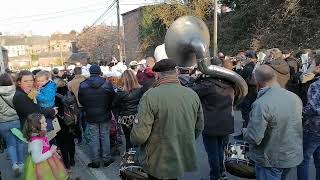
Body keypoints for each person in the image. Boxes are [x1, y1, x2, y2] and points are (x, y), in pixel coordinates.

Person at [131, 59, 204, 180]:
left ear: (157, 75)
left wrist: (133, 139)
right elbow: (199, 126)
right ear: (175, 73)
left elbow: (139, 136)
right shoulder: (192, 94)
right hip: (180, 153)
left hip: (159, 158)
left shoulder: (150, 95)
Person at [244, 65, 303, 180]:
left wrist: (245, 132)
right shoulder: (294, 97)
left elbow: (254, 138)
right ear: (275, 77)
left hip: (271, 159)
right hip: (291, 155)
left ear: (256, 81)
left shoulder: (262, 104)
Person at [191, 58, 235, 180]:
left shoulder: (207, 85)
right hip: (226, 122)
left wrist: (197, 78)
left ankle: (215, 176)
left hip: (210, 124)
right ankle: (221, 173)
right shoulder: (231, 83)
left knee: (213, 153)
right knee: (220, 150)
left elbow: (190, 92)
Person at [78, 64, 116, 168]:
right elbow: (113, 97)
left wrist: (88, 107)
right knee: (105, 136)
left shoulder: (83, 85)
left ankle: (95, 160)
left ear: (90, 72)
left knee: (94, 137)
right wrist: (108, 107)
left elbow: (81, 100)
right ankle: (106, 158)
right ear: (99, 72)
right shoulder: (107, 83)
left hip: (91, 114)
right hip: (104, 113)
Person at [22, 113, 68, 180]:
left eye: (45, 121)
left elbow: (44, 144)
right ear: (34, 127)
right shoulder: (36, 143)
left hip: (48, 159)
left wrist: (53, 152)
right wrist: (51, 152)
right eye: (43, 123)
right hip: (42, 165)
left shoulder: (40, 133)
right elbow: (36, 160)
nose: (46, 124)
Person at [297, 54, 320, 180]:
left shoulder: (316, 85)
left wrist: (300, 111)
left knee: (303, 159)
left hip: (314, 127)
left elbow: (313, 108)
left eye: (312, 64)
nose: (310, 66)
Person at [0, 73, 25, 177]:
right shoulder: (17, 91)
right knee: (19, 142)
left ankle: (14, 164)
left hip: (3, 123)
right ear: (11, 81)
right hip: (17, 121)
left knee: (10, 144)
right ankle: (21, 163)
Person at [112, 70, 143, 151]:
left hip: (125, 117)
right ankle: (138, 156)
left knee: (128, 138)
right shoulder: (140, 89)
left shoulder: (120, 92)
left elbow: (114, 104)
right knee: (138, 137)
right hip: (137, 116)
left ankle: (130, 158)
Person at [55, 77, 76, 171]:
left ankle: (66, 163)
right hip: (71, 120)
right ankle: (72, 159)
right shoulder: (70, 93)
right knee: (71, 141)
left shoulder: (53, 95)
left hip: (60, 121)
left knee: (62, 143)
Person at [67, 67, 87, 142]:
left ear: (74, 73)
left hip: (76, 105)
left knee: (78, 122)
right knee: (86, 122)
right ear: (81, 71)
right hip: (86, 104)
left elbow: (69, 96)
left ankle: (80, 138)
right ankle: (87, 136)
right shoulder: (86, 80)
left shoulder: (70, 83)